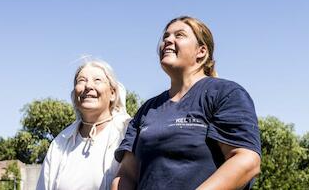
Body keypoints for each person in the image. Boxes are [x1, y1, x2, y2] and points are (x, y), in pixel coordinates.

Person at [112, 16, 261, 190]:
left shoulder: (225, 93)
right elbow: (126, 174)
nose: (167, 40)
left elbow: (246, 160)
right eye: (165, 36)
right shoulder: (146, 110)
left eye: (179, 35)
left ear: (201, 51)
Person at [37, 60, 130, 190]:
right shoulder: (60, 143)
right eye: (82, 80)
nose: (88, 86)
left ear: (113, 93)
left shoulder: (128, 133)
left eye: (97, 80)